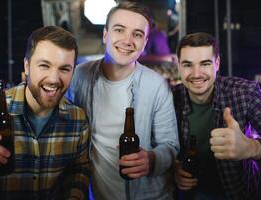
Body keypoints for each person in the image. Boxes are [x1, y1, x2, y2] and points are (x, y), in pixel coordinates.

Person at [67, 1, 179, 200]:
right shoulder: (79, 76)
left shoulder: (156, 86)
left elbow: (170, 145)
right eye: (119, 30)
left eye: (137, 34)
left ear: (144, 43)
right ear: (105, 34)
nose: (128, 41)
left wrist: (152, 159)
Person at [0, 26, 90, 199]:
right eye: (44, 65)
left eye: (64, 69)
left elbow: (78, 171)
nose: (54, 79)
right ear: (27, 66)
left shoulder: (78, 120)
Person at [173, 32, 261, 200]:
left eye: (205, 64)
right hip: (188, 195)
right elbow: (156, 147)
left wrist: (251, 148)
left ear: (217, 64)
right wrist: (172, 168)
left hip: (238, 193)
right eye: (188, 65)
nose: (196, 74)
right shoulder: (171, 98)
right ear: (178, 65)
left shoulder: (245, 92)